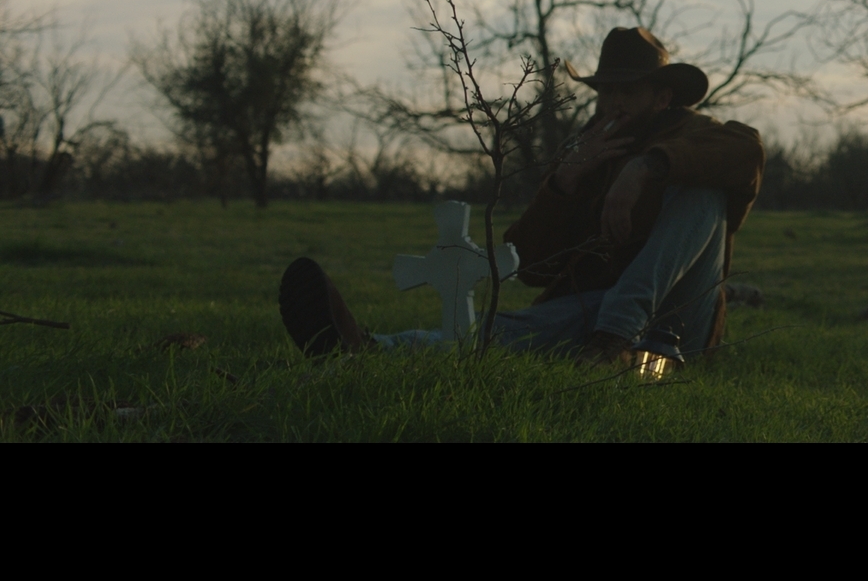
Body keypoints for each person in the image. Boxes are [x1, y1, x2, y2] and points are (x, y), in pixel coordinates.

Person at [277, 27, 764, 378]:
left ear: (661, 98)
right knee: (511, 330)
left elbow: (747, 151)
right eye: (606, 91)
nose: (613, 102)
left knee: (703, 191)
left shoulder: (697, 134)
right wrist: (565, 184)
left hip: (677, 327)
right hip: (595, 319)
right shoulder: (588, 153)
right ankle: (368, 350)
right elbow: (529, 266)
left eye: (628, 91)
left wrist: (644, 169)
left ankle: (615, 332)